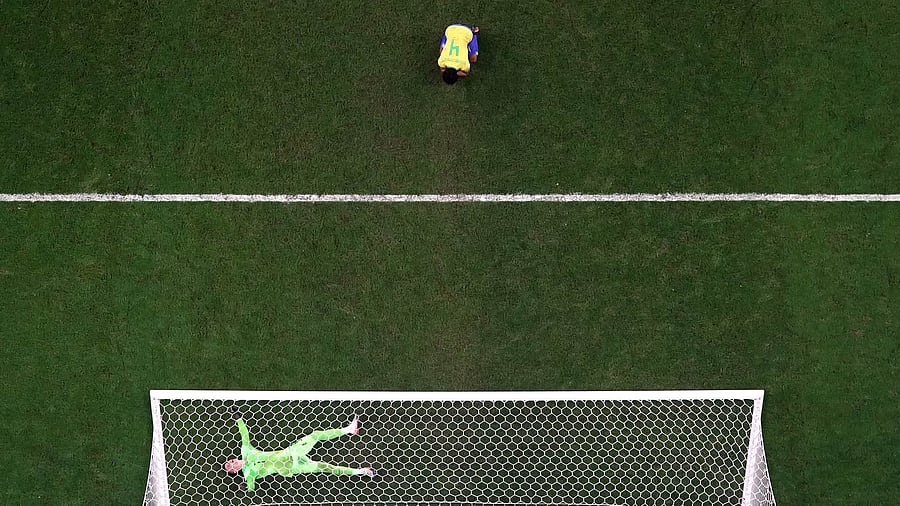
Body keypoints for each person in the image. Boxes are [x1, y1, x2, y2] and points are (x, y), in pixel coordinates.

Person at [224, 407, 374, 492]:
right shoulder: (249, 473)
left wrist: (239, 419)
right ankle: (361, 471)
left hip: (292, 452)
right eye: (232, 468)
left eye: (231, 461)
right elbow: (251, 486)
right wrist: (245, 487)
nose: (233, 464)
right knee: (326, 467)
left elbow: (244, 435)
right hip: (293, 467)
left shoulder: (246, 452)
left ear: (233, 459)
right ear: (235, 472)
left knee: (315, 435)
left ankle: (349, 429)